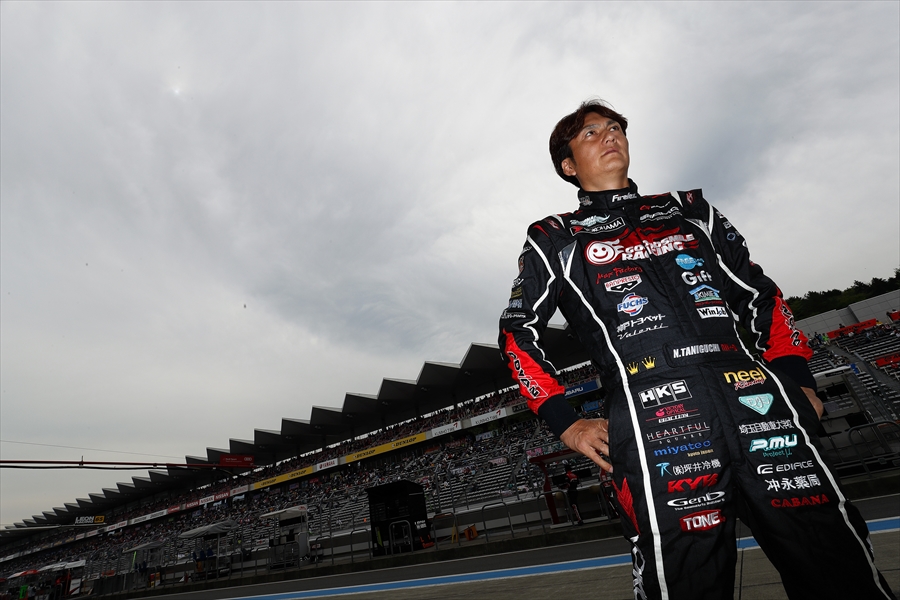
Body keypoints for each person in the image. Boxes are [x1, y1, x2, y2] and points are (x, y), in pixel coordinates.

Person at [498, 99, 894, 600]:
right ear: (568, 165)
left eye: (616, 127)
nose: (610, 135)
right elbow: (517, 331)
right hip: (654, 422)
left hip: (759, 404)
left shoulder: (690, 210)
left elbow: (762, 296)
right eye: (591, 132)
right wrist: (567, 422)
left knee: (838, 563)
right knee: (685, 582)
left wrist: (798, 381)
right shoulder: (554, 237)